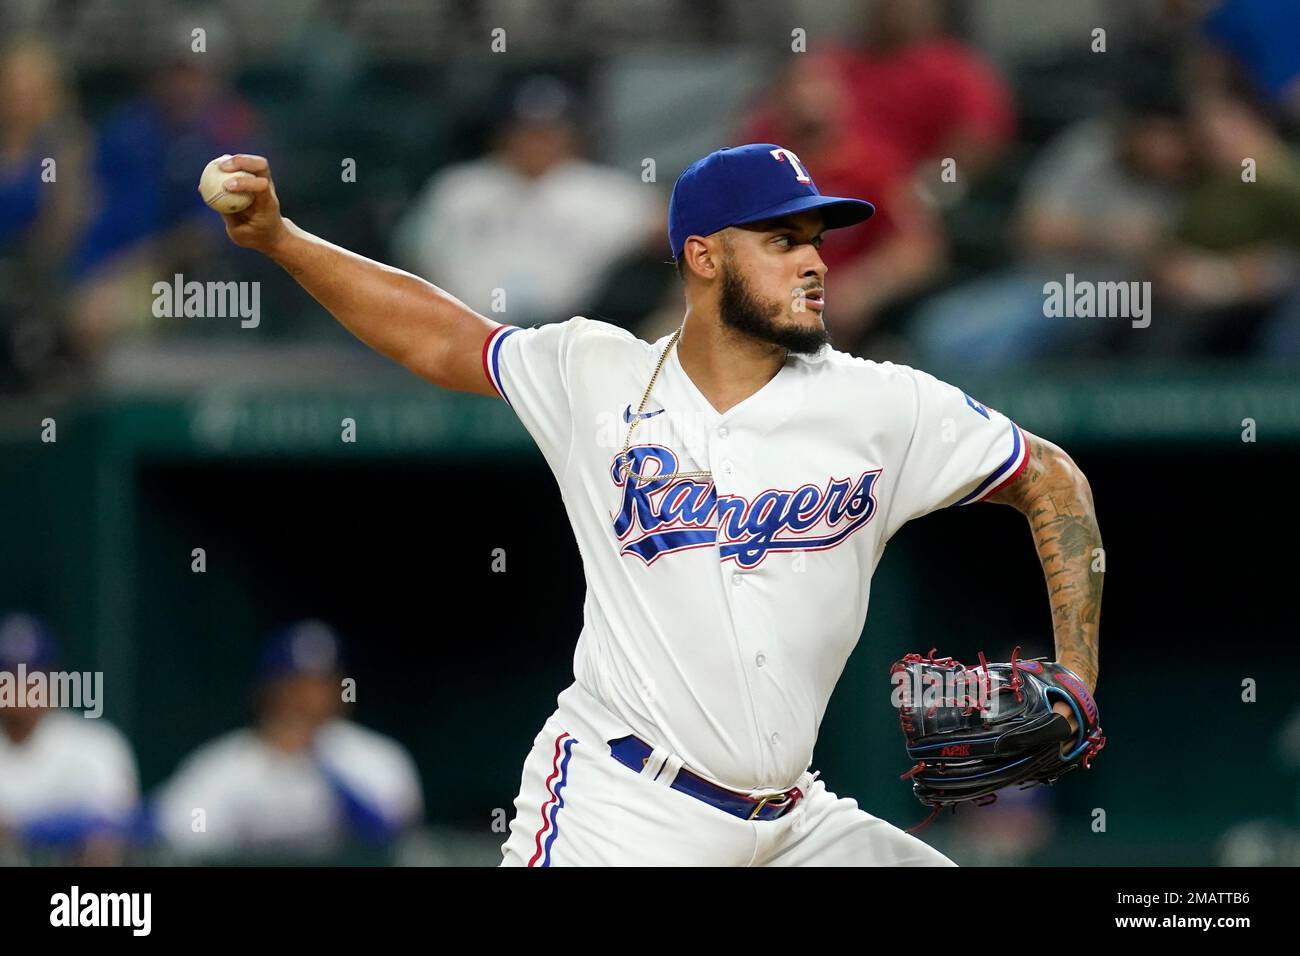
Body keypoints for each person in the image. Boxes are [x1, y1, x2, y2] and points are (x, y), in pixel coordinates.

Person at [209, 141, 1103, 866]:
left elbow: (1050, 476)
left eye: (818, 241)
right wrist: (284, 239)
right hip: (624, 805)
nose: (815, 263)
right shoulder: (597, 371)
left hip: (795, 822)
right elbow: (444, 337)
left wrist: (1078, 671)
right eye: (782, 240)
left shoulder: (882, 404)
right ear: (704, 256)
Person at [393, 76, 658, 327]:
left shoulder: (610, 192)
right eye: (525, 130)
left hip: (567, 337)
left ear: (574, 135)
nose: (535, 142)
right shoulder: (459, 186)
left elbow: (670, 231)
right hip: (459, 328)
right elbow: (413, 257)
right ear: (502, 133)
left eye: (548, 131)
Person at [152, 620, 423, 861]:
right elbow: (174, 834)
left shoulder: (377, 757)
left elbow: (389, 834)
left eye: (321, 684)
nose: (309, 699)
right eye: (295, 686)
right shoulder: (228, 763)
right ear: (266, 691)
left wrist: (319, 764)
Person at [0, 613, 139, 865]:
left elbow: (116, 823)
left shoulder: (94, 744)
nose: (18, 688)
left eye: (31, 677)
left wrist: (25, 830)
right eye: (7, 676)